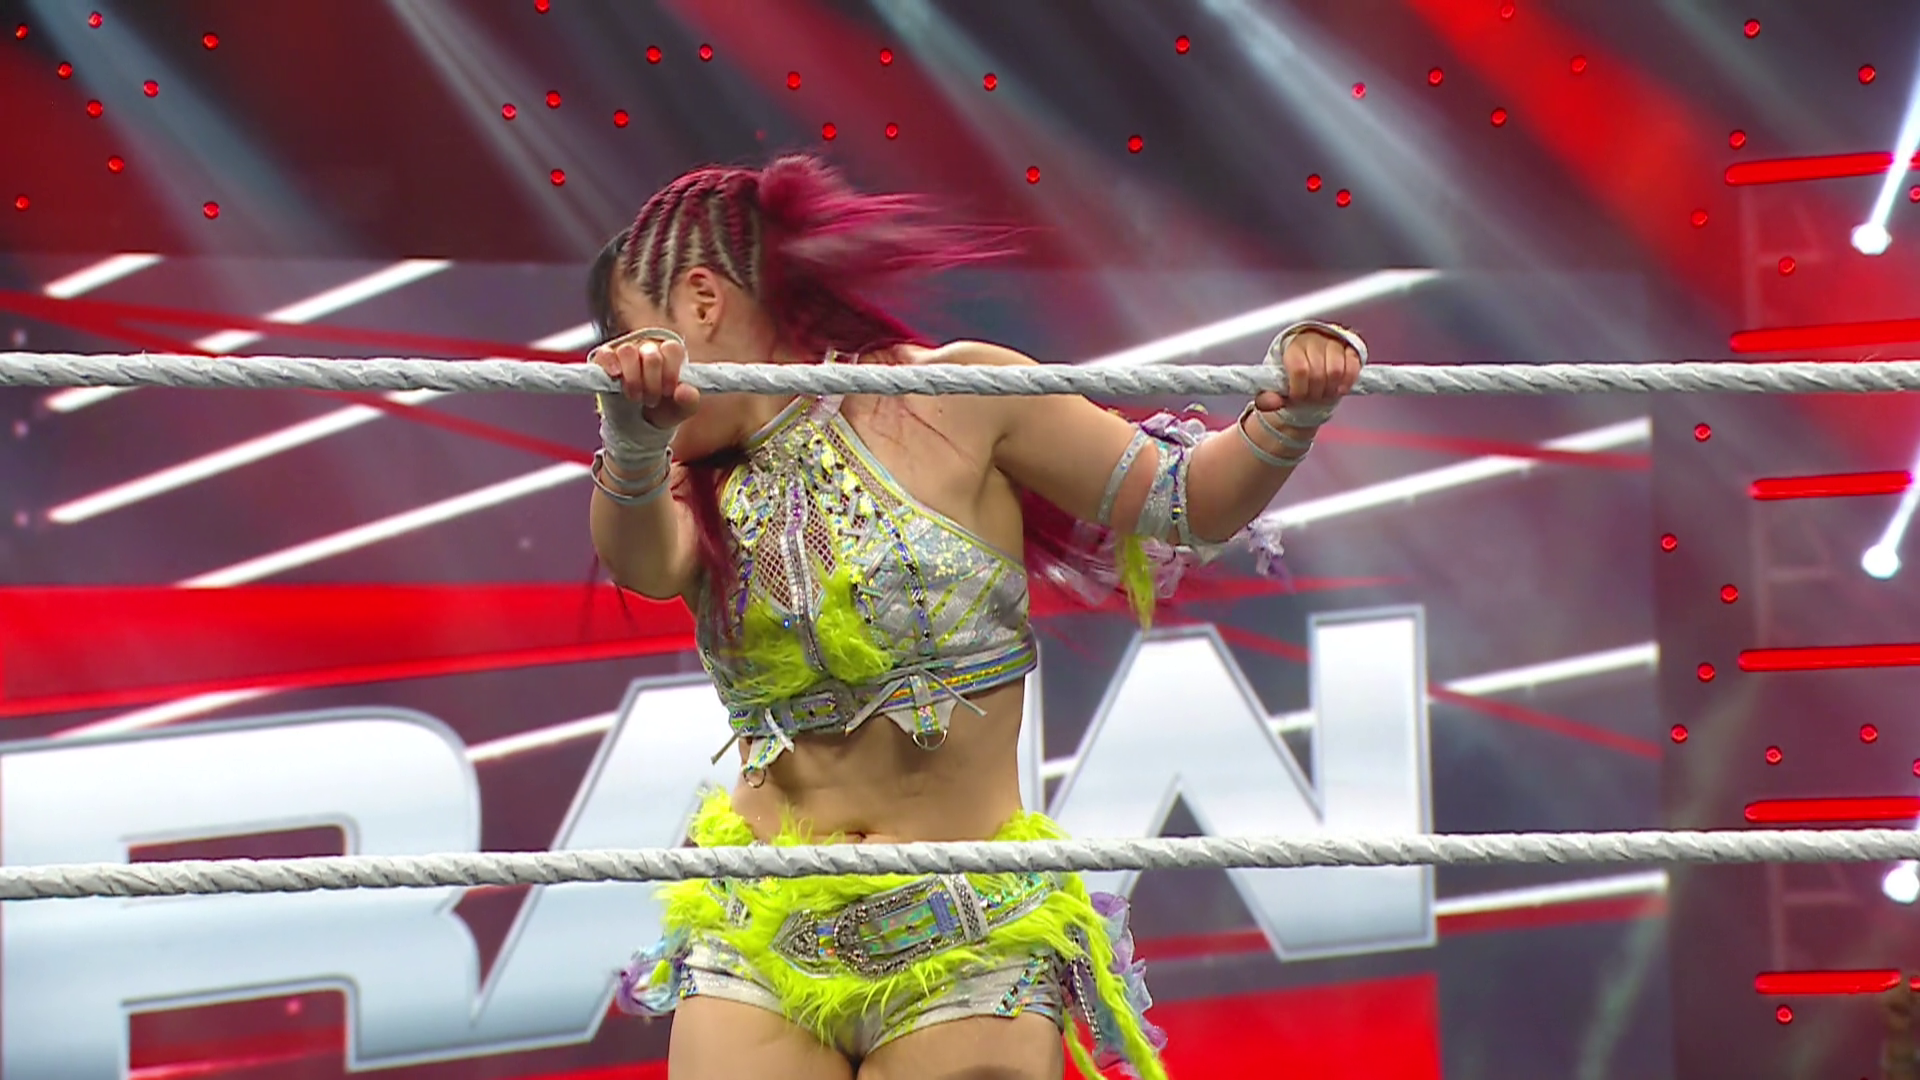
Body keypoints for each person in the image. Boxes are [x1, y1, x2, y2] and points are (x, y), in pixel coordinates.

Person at [585, 154, 1364, 1080]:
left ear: (702, 301)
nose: (626, 377)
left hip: (968, 936)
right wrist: (631, 438)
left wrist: (1290, 411)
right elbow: (642, 563)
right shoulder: (678, 485)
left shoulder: (959, 396)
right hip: (757, 938)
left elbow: (1186, 502)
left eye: (631, 342)